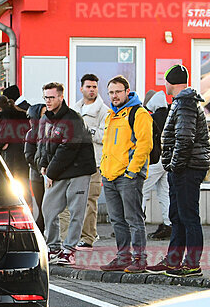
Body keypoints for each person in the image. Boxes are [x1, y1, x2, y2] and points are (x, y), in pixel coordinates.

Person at [150, 64, 210, 277]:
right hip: (185, 167)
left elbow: (184, 139)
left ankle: (192, 264)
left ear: (170, 82)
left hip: (187, 168)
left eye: (165, 81)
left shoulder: (184, 102)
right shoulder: (183, 101)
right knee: (177, 215)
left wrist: (174, 166)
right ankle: (174, 261)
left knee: (188, 216)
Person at [34, 82, 96, 265]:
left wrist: (51, 171)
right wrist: (43, 165)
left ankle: (69, 250)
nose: (48, 101)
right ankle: (53, 246)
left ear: (61, 97)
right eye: (46, 97)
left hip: (79, 170)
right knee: (48, 208)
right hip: (57, 170)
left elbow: (68, 148)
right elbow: (43, 144)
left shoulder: (73, 119)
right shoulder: (45, 119)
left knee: (77, 210)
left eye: (52, 97)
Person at [99, 75, 153, 273]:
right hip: (110, 175)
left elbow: (145, 145)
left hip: (128, 176)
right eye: (111, 92)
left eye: (118, 92)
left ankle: (140, 259)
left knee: (134, 219)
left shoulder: (139, 113)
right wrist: (104, 171)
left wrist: (132, 171)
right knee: (117, 220)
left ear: (127, 92)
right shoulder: (111, 115)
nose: (114, 96)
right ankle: (123, 257)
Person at [67, 74, 110, 249]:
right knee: (75, 201)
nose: (91, 90)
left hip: (95, 163)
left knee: (90, 201)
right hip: (76, 162)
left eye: (94, 87)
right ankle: (74, 236)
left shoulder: (104, 111)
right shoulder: (75, 109)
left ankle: (88, 237)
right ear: (81, 88)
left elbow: (104, 136)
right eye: (88, 87)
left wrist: (86, 129)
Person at [142, 90, 171, 240]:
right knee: (164, 193)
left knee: (142, 191)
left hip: (155, 160)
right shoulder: (171, 115)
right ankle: (168, 223)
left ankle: (135, 224)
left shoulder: (152, 118)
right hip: (169, 160)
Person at [0, 95, 28, 180]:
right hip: (21, 156)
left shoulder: (6, 119)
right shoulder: (17, 116)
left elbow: (1, 139)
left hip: (12, 157)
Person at [24, 102, 47, 230]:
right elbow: (29, 156)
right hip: (37, 176)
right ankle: (40, 231)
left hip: (50, 175)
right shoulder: (31, 133)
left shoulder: (50, 130)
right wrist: (41, 168)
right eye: (43, 113)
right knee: (40, 206)